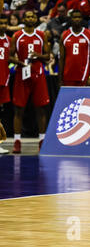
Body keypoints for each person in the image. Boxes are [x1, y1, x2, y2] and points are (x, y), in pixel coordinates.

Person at [9, 11, 51, 153]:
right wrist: (20, 62)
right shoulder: (17, 36)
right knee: (18, 109)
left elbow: (47, 56)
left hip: (38, 75)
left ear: (35, 19)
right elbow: (9, 57)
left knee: (41, 109)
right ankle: (17, 141)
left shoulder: (41, 35)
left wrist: (37, 55)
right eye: (28, 16)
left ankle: (42, 141)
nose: (30, 18)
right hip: (22, 74)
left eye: (33, 16)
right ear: (24, 19)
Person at [59, 10, 90, 87]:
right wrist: (60, 79)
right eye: (74, 17)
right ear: (70, 19)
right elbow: (62, 58)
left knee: (83, 99)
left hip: (84, 75)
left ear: (82, 19)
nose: (77, 19)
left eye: (79, 17)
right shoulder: (64, 35)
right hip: (68, 76)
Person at [0, 14, 10, 154]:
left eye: (4, 23)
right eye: (0, 23)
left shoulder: (8, 40)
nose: (2, 25)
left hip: (3, 80)